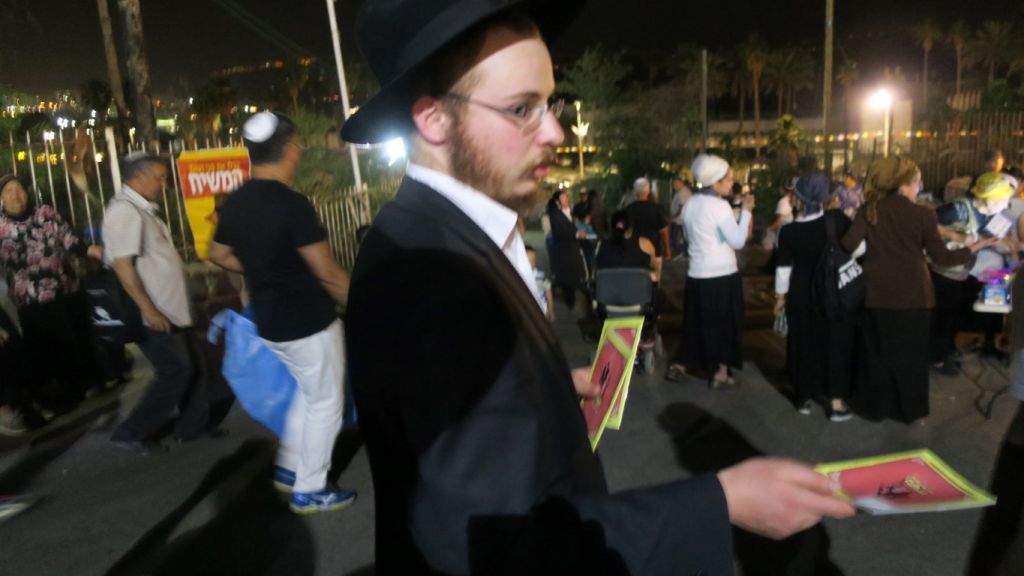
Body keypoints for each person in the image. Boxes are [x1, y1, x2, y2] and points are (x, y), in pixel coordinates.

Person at [342, 4, 856, 570]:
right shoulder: (430, 279)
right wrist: (722, 502)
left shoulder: (448, 231)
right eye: (521, 109)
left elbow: (458, 406)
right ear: (434, 118)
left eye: (551, 105)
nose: (555, 133)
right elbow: (495, 547)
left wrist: (542, 388)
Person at [208, 112, 356, 515]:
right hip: (308, 321)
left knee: (307, 397)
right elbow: (326, 273)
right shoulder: (292, 205)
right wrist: (364, 304)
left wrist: (261, 269)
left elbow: (216, 253)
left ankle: (290, 468)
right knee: (326, 403)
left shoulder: (237, 201)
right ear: (290, 149)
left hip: (269, 322)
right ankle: (312, 488)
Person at [840, 157, 994, 424]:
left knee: (877, 354)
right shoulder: (923, 215)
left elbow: (847, 244)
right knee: (911, 356)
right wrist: (973, 248)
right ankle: (909, 410)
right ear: (903, 185)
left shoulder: (870, 210)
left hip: (877, 293)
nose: (919, 187)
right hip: (915, 296)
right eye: (916, 182)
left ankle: (874, 407)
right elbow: (943, 258)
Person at [103, 153, 214, 454]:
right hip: (156, 311)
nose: (165, 184)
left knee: (195, 365)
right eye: (160, 178)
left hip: (171, 308)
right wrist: (149, 310)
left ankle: (191, 427)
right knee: (176, 370)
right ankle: (131, 431)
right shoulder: (124, 212)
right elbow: (123, 266)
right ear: (138, 178)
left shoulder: (142, 210)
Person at [0, 174, 102, 417]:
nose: (16, 195)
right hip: (28, 298)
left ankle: (81, 385)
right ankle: (56, 395)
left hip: (61, 288)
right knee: (44, 347)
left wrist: (90, 250)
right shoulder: (1, 228)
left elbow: (68, 237)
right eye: (9, 191)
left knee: (71, 339)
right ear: (1, 199)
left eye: (19, 189)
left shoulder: (44, 214)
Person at [774, 173, 857, 421]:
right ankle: (836, 402)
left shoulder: (788, 232)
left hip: (800, 292)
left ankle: (803, 397)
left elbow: (783, 270)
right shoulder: (837, 220)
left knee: (802, 343)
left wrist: (779, 300)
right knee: (834, 343)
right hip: (832, 291)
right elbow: (859, 248)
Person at [666, 154, 753, 389]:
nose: (732, 183)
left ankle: (691, 364)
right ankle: (721, 372)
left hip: (697, 273)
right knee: (725, 324)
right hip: (723, 274)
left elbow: (688, 234)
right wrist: (746, 212)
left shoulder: (691, 203)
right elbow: (738, 241)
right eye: (729, 179)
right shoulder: (720, 206)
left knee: (699, 323)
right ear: (715, 182)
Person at [931, 172, 1018, 371]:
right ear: (990, 198)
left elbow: (990, 236)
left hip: (961, 270)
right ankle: (937, 359)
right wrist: (958, 237)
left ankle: (945, 352)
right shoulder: (959, 209)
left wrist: (1003, 244)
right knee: (942, 315)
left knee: (952, 313)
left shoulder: (990, 213)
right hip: (944, 271)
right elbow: (927, 223)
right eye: (1003, 200)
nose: (1006, 204)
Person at [546, 189, 588, 312]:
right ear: (557, 201)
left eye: (567, 197)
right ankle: (571, 305)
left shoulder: (569, 211)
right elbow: (559, 233)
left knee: (575, 278)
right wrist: (577, 235)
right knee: (569, 280)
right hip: (564, 252)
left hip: (572, 250)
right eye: (563, 197)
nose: (567, 199)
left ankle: (574, 303)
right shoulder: (555, 214)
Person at [625, 176, 670, 258]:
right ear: (648, 191)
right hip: (654, 250)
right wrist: (667, 249)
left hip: (634, 251)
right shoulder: (657, 209)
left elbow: (625, 232)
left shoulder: (628, 210)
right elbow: (664, 231)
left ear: (635, 191)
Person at [761, 177, 795, 250]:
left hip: (783, 232)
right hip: (791, 231)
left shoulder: (783, 202)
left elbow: (779, 221)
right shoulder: (792, 200)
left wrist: (769, 228)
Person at [525, 245, 554, 321]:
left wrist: (550, 309)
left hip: (541, 309)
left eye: (533, 260)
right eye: (528, 261)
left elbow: (548, 292)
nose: (531, 264)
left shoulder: (540, 276)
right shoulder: (519, 275)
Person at [668, 176, 692, 257]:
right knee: (677, 239)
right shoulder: (680, 191)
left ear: (680, 183)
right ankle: (683, 252)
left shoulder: (683, 192)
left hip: (680, 221)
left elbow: (682, 207)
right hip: (678, 220)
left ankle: (683, 252)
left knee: (674, 239)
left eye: (675, 184)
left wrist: (673, 216)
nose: (674, 186)